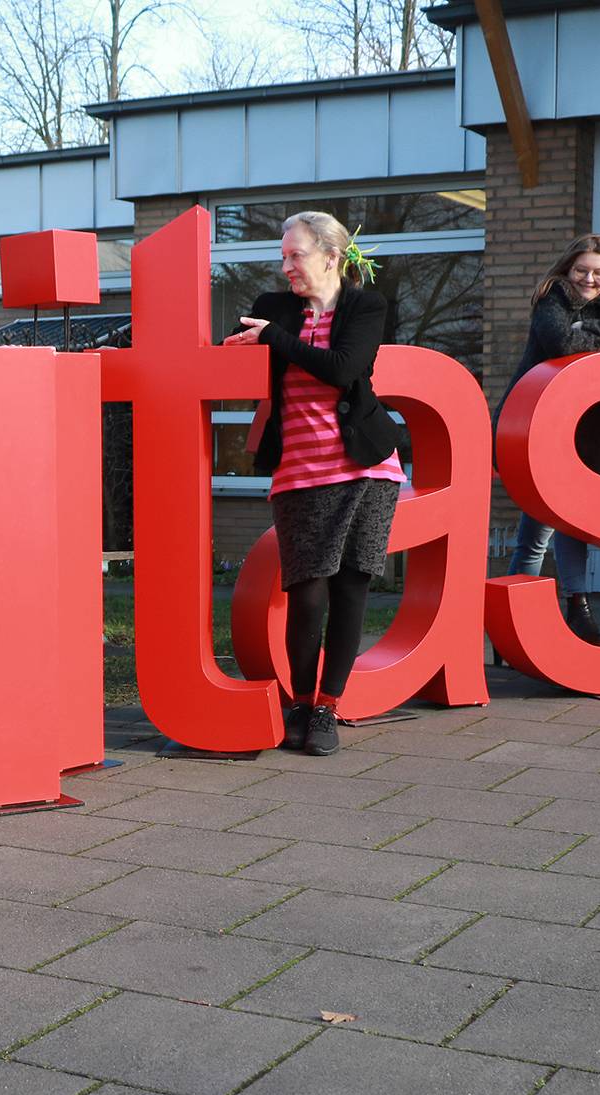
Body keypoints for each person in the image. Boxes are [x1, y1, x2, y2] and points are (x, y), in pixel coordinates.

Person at [224, 211, 403, 757]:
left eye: (294, 255)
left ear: (331, 255)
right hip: (300, 470)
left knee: (351, 587)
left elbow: (346, 369)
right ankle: (299, 702)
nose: (286, 267)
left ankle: (327, 708)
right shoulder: (272, 308)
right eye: (283, 256)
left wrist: (276, 340)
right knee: (306, 592)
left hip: (367, 468)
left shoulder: (365, 305)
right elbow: (238, 355)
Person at [502, 234, 600, 645]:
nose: (590, 279)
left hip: (584, 434)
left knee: (572, 522)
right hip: (538, 428)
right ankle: (515, 620)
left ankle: (577, 609)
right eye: (582, 270)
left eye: (599, 272)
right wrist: (599, 333)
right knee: (537, 532)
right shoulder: (553, 298)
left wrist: (590, 326)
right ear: (568, 269)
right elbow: (562, 342)